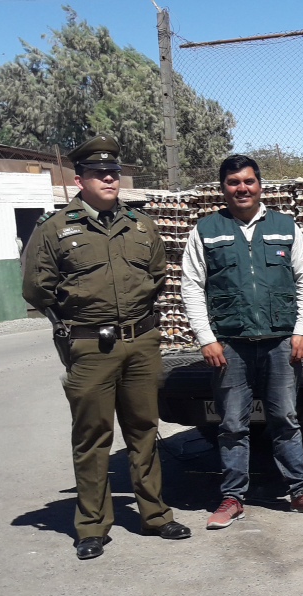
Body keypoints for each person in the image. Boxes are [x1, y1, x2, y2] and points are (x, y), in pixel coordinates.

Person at [22, 135, 192, 559]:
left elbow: (156, 277)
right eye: (100, 173)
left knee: (144, 432)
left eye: (114, 172)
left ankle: (155, 516)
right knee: (92, 437)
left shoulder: (141, 225)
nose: (110, 178)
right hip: (90, 349)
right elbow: (36, 288)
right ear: (80, 179)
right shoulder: (55, 229)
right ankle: (92, 526)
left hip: (141, 344)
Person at [182, 155, 303, 529]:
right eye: (234, 182)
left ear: (260, 185)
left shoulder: (285, 227)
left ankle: (301, 492)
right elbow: (191, 286)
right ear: (223, 188)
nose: (242, 188)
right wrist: (206, 338)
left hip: (280, 343)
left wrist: (302, 330)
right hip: (230, 345)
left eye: (248, 181)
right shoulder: (206, 230)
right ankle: (232, 497)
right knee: (232, 424)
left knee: (285, 419)